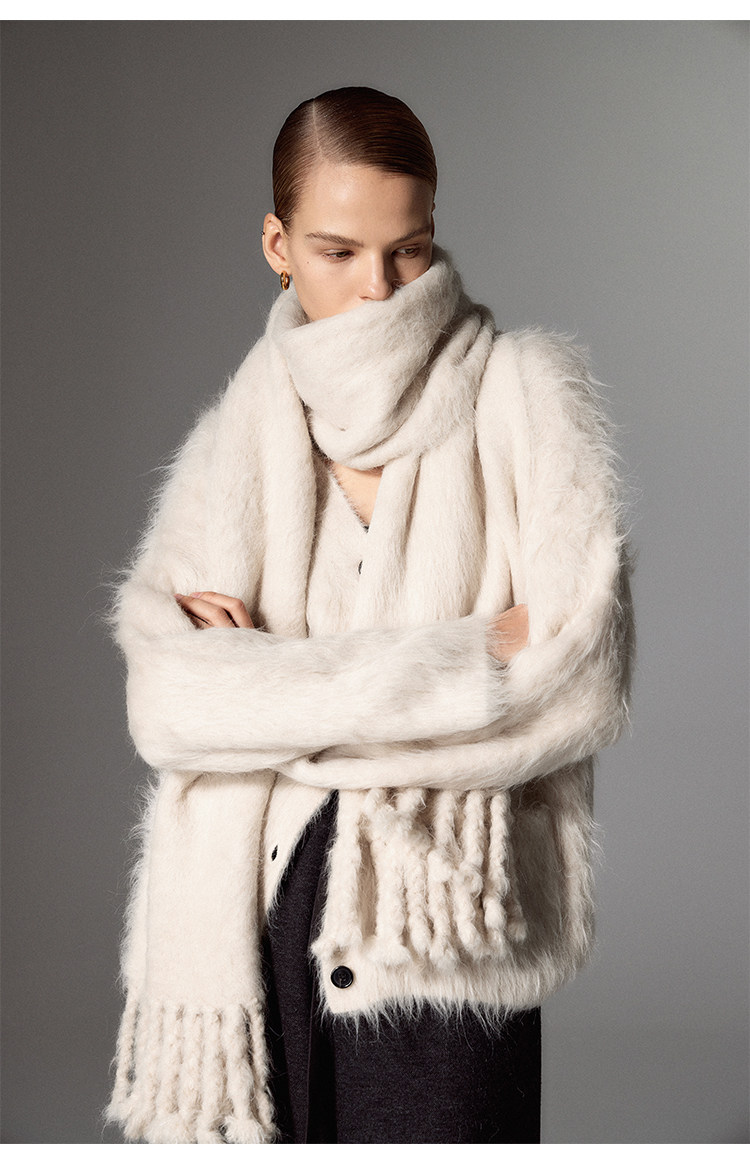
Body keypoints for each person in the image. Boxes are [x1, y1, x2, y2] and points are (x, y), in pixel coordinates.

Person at [105, 86, 633, 1145]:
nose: (379, 287)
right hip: (253, 917)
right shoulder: (236, 432)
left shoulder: (522, 393)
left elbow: (580, 679)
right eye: (338, 252)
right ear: (277, 246)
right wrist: (468, 656)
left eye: (409, 250)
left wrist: (264, 695)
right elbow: (166, 705)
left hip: (444, 908)